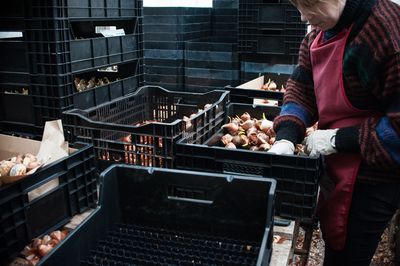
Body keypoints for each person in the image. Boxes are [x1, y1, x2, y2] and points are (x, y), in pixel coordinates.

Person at [267, 0, 400, 264]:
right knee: (335, 240)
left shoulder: (385, 34)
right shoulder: (319, 31)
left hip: (376, 175)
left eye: (308, 4)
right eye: (297, 5)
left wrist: (340, 139)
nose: (304, 17)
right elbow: (303, 88)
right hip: (338, 167)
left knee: (349, 252)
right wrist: (286, 136)